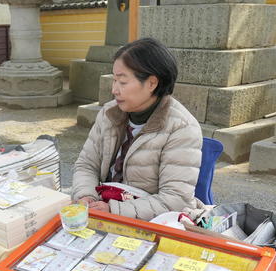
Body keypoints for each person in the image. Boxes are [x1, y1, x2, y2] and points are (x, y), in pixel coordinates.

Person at [72, 38, 203, 221]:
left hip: (149, 221)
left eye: (123, 82)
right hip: (105, 207)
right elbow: (87, 165)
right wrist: (86, 196)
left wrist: (114, 210)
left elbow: (176, 199)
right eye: (114, 80)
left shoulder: (181, 128)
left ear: (151, 83)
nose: (115, 90)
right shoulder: (109, 114)